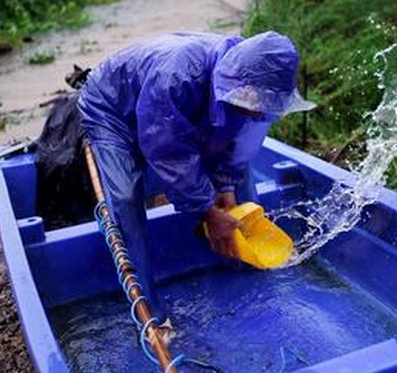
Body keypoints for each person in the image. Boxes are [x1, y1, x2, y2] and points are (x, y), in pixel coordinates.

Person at [74, 30, 314, 316]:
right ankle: (148, 307)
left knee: (241, 182)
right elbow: (169, 151)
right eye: (254, 103)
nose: (258, 112)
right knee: (125, 196)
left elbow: (240, 146)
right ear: (239, 85)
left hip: (173, 104)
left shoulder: (259, 87)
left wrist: (224, 187)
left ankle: (244, 261)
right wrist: (207, 212)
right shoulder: (176, 78)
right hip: (112, 106)